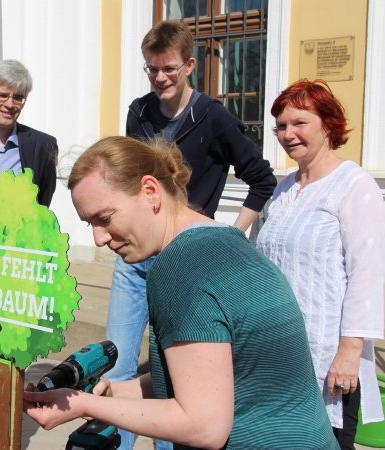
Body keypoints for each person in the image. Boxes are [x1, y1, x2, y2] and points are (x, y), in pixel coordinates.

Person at [23, 136, 339, 449]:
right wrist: (114, 394)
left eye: (104, 219)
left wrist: (84, 405)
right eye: (89, 223)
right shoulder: (222, 239)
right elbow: (209, 374)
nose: (98, 239)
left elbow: (204, 426)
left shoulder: (178, 268)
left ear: (149, 191)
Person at [105, 19, 276, 449]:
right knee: (117, 366)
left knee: (176, 382)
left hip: (185, 266)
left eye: (168, 69)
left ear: (190, 66)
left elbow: (261, 178)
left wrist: (233, 233)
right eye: (151, 69)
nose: (160, 78)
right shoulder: (139, 112)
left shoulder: (213, 116)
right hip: (135, 262)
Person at [256, 79, 385, 449]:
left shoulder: (354, 186)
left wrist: (349, 351)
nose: (287, 134)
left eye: (299, 123)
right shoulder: (285, 188)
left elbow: (367, 273)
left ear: (327, 124)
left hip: (328, 360)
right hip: (280, 353)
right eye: (281, 126)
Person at [0, 59, 58, 210]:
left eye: (18, 98)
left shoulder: (43, 146)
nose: (10, 104)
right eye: (2, 95)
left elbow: (42, 204)